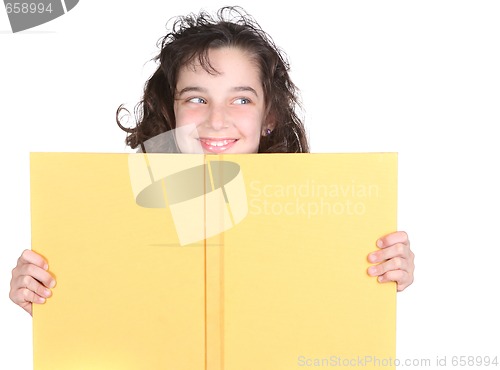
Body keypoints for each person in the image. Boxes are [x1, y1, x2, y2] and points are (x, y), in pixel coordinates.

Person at [9, 6, 414, 316]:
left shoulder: (325, 215)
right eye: (197, 99)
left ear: (268, 116)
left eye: (241, 99)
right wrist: (44, 295)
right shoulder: (104, 214)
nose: (216, 120)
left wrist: (382, 276)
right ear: (171, 110)